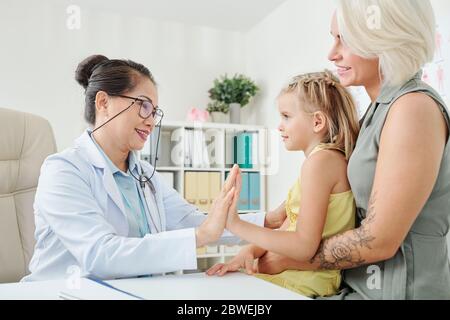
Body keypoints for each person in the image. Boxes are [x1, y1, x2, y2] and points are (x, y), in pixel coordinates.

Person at [210, 0, 450, 300]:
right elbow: (297, 213)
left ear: (385, 37)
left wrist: (281, 259)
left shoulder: (412, 109)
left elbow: (379, 240)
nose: (331, 53)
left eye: (344, 39)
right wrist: (253, 242)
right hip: (356, 287)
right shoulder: (375, 115)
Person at [22, 55, 283, 281]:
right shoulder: (64, 170)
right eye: (144, 106)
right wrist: (200, 236)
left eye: (154, 112)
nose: (151, 122)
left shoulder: (144, 173)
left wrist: (268, 220)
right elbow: (100, 254)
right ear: (103, 103)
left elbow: (192, 221)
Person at [207, 71, 360, 298]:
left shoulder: (321, 163)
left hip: (303, 284)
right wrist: (249, 251)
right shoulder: (321, 162)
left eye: (286, 116)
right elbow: (288, 229)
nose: (280, 126)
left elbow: (303, 246)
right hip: (297, 279)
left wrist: (235, 224)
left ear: (317, 121)